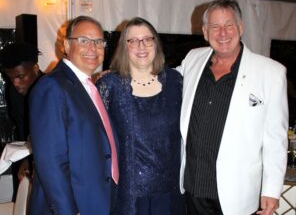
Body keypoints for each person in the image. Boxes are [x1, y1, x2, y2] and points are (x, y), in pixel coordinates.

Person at [177, 0, 288, 215]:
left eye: (229, 25)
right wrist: (121, 75)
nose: (223, 33)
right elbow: (163, 80)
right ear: (205, 32)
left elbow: (276, 138)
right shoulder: (193, 59)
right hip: (192, 189)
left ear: (241, 27)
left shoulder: (271, 73)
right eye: (215, 27)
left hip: (238, 195)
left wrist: (272, 190)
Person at [28, 15, 119, 215]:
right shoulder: (52, 87)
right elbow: (50, 161)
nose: (92, 48)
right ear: (67, 46)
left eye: (98, 42)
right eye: (84, 41)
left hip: (96, 201)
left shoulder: (89, 86)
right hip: (73, 207)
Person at [96, 17, 185, 215]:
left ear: (156, 43)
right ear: (124, 47)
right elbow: (93, 136)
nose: (141, 46)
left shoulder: (175, 81)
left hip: (169, 193)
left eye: (147, 39)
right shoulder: (109, 85)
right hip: (128, 196)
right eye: (133, 41)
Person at [0, 42, 43, 200]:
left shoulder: (50, 90)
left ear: (35, 69)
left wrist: (31, 159)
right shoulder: (14, 92)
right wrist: (24, 158)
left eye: (20, 77)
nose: (15, 84)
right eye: (10, 78)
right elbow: (22, 127)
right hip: (26, 153)